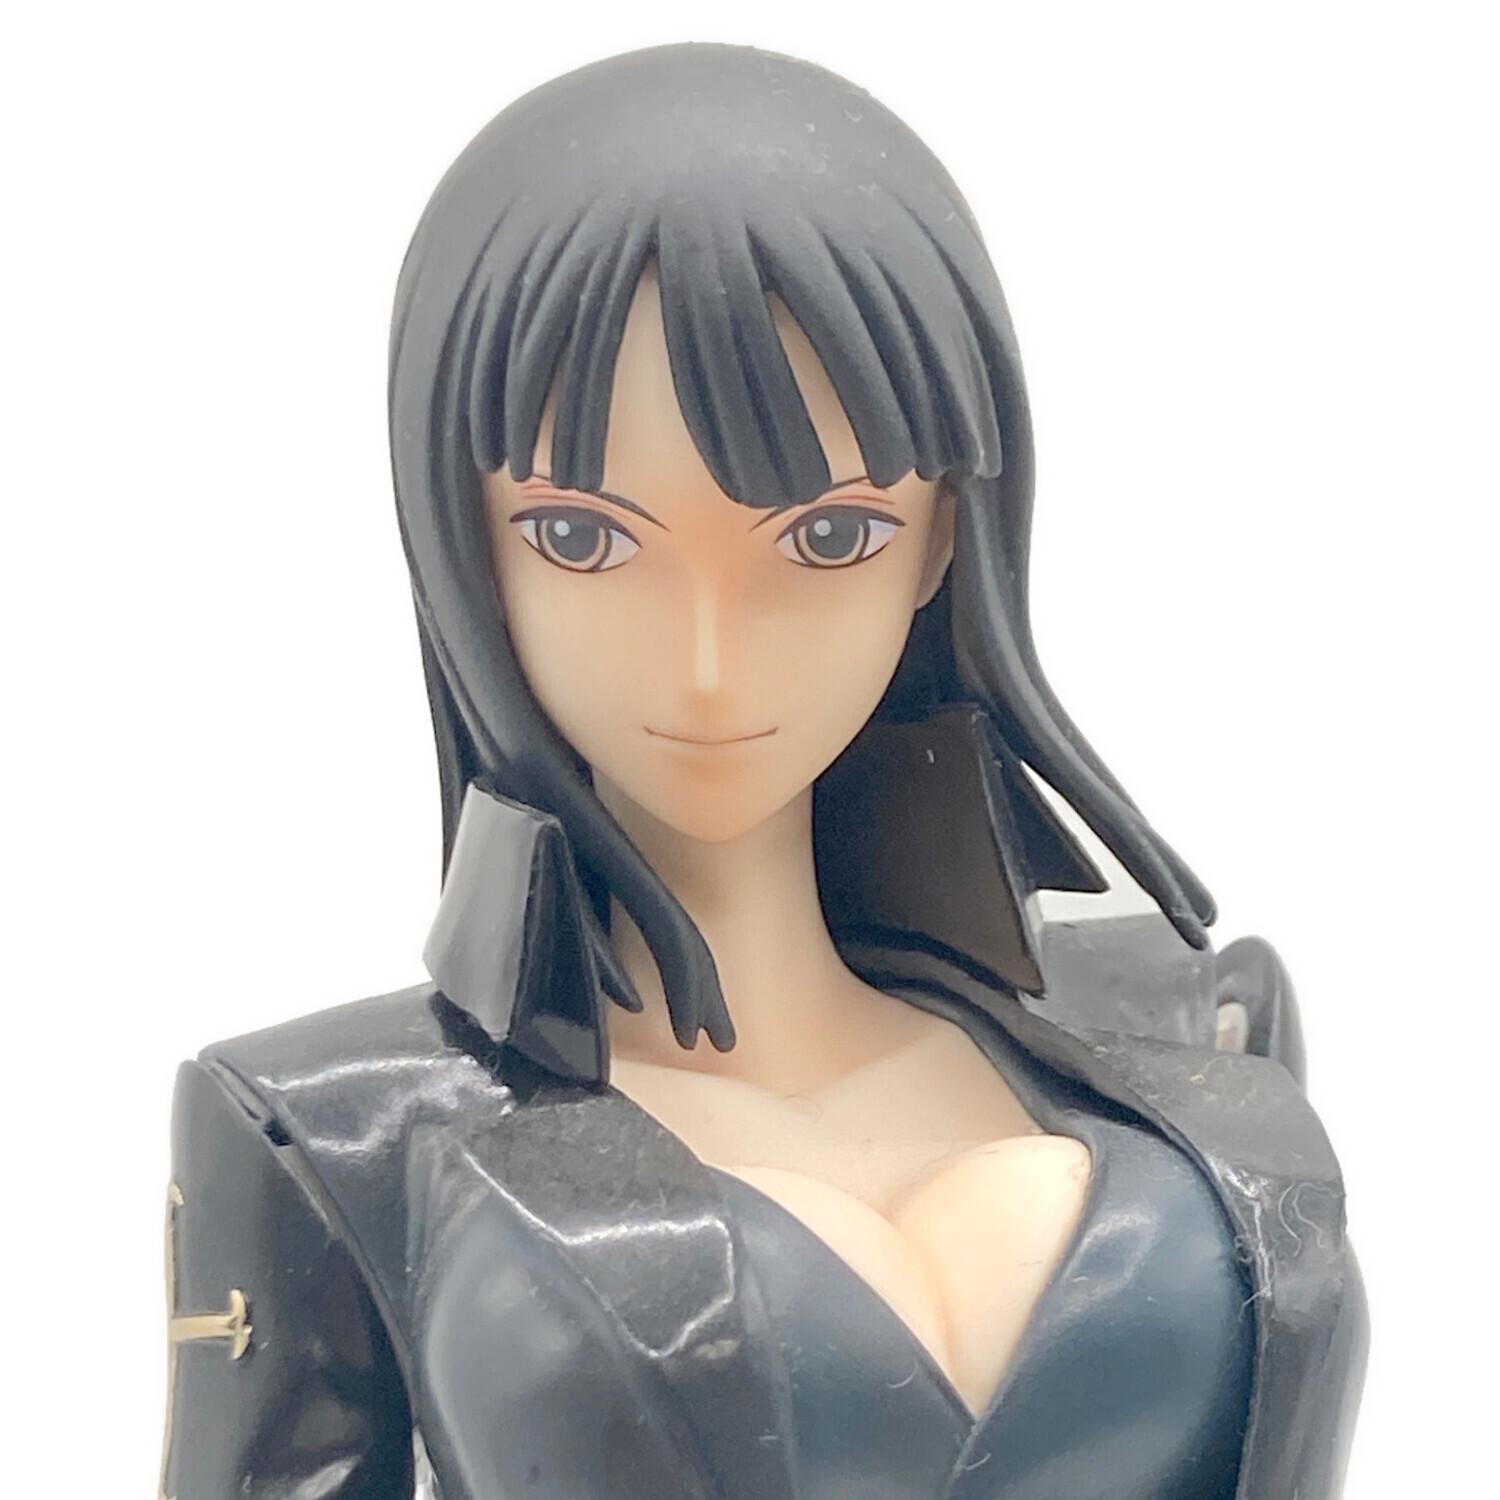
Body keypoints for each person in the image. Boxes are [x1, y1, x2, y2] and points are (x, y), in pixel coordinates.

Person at [159, 42, 1366, 1499]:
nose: (709, 663)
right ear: (464, 542)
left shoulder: (1191, 1037)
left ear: (941, 532)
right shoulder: (333, 1127)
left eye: (828, 535)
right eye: (583, 537)